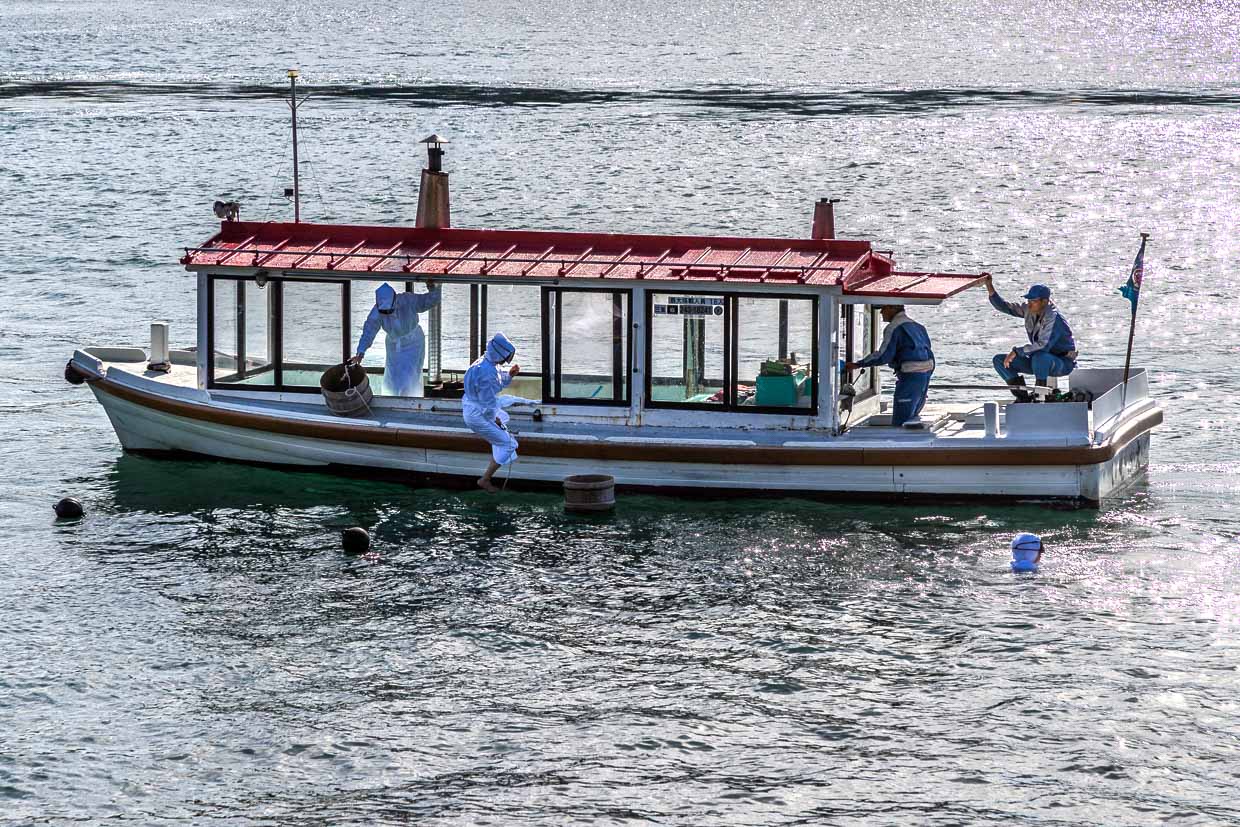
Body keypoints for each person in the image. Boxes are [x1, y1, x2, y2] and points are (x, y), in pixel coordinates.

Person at [984, 276, 1078, 402]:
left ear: (1044, 302)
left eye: (1033, 301)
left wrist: (1017, 351)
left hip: (1061, 363)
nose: (1029, 304)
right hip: (1037, 361)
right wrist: (989, 286)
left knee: (1040, 356)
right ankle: (1023, 397)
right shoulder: (1028, 309)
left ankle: (1041, 396)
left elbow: (1043, 345)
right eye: (1028, 300)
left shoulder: (1054, 319)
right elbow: (1004, 307)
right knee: (1000, 360)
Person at [845, 304, 935, 427]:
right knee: (913, 415)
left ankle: (897, 444)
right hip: (924, 376)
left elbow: (883, 355)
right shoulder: (919, 327)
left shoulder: (893, 327)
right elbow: (929, 353)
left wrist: (858, 364)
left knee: (901, 420)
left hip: (909, 377)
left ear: (893, 308)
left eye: (884, 308)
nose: (881, 312)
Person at [349, 280, 441, 397]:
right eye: (384, 311)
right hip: (393, 345)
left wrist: (433, 288)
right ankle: (392, 398)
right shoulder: (377, 312)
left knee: (410, 376)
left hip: (414, 342)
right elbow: (368, 332)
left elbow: (431, 300)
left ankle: (411, 400)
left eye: (389, 310)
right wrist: (360, 352)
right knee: (393, 376)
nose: (387, 313)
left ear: (395, 301)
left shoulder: (408, 300)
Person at [463, 332, 521, 493]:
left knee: (503, 425)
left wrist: (509, 375)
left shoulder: (486, 362)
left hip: (473, 407)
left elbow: (497, 380)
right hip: (477, 415)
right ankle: (485, 479)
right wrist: (492, 419)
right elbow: (488, 404)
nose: (504, 361)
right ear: (499, 353)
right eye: (505, 357)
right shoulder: (486, 372)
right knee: (510, 444)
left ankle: (498, 440)